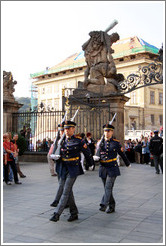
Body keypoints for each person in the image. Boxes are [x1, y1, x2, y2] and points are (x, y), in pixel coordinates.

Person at [50, 120, 94, 222]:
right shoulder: (62, 141)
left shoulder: (79, 141)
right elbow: (57, 153)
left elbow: (87, 153)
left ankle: (57, 214)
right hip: (63, 168)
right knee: (68, 192)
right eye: (65, 129)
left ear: (73, 129)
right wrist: (55, 157)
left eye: (68, 129)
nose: (66, 131)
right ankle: (74, 213)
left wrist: (91, 164)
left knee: (66, 190)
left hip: (73, 168)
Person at [93, 123, 131, 214]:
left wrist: (127, 163)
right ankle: (112, 205)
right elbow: (97, 154)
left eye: (109, 131)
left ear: (112, 132)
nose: (107, 133)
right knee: (107, 188)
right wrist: (95, 159)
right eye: (105, 131)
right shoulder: (100, 143)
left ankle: (104, 204)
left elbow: (122, 154)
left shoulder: (116, 143)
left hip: (112, 167)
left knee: (108, 186)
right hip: (103, 167)